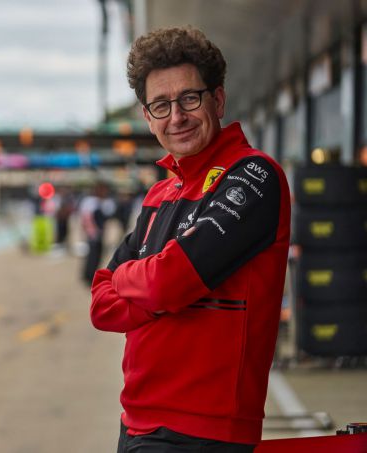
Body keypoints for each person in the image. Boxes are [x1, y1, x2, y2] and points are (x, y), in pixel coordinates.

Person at [90, 27, 291, 452]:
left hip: (206, 433)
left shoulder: (254, 176)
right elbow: (101, 305)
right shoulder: (159, 194)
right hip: (136, 423)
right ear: (148, 117)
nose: (176, 117)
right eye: (161, 105)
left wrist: (141, 282)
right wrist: (157, 289)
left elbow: (169, 281)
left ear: (218, 100)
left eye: (189, 99)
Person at [79, 181, 116, 284]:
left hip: (99, 233)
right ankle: (89, 276)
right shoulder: (91, 201)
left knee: (97, 255)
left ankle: (91, 275)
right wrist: (91, 231)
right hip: (93, 233)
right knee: (92, 255)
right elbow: (86, 218)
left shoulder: (104, 202)